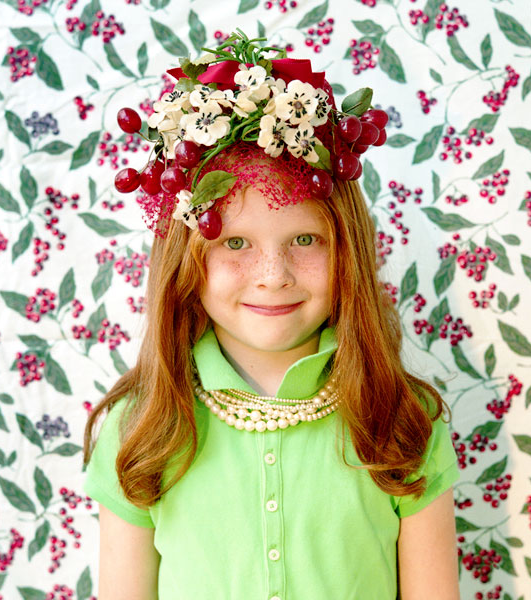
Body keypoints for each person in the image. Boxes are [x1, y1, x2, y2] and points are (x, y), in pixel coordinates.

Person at [83, 30, 460, 600]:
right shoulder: (141, 430)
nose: (273, 274)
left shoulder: (403, 421)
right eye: (235, 243)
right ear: (187, 257)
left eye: (305, 238)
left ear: (347, 250)